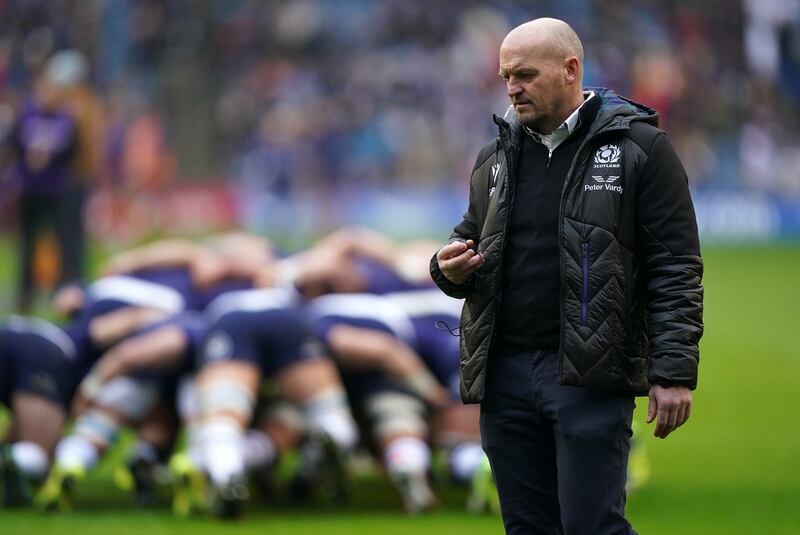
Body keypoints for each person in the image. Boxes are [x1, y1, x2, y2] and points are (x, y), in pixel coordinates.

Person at [430, 18, 703, 534]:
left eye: (526, 75)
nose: (512, 88)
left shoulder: (640, 148)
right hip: (505, 376)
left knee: (592, 527)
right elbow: (467, 238)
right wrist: (447, 267)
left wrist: (673, 372)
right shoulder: (495, 156)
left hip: (588, 375)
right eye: (506, 76)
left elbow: (675, 266)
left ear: (570, 69)